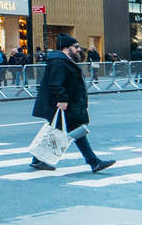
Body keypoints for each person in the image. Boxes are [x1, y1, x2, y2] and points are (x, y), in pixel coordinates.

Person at [31, 34, 114, 174]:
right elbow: (56, 83)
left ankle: (37, 160)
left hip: (64, 103)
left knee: (58, 131)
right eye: (75, 47)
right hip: (62, 104)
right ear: (66, 48)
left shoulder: (62, 60)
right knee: (76, 131)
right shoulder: (58, 61)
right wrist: (62, 100)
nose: (78, 49)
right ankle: (94, 162)